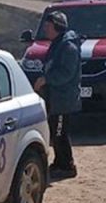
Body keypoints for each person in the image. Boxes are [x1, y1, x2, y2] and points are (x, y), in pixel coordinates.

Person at [33, 10, 81, 179]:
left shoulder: (68, 47)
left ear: (57, 26)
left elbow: (66, 73)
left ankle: (67, 166)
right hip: (55, 98)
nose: (45, 28)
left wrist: (46, 79)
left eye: (48, 25)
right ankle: (59, 162)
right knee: (56, 131)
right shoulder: (57, 43)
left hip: (63, 99)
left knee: (60, 133)